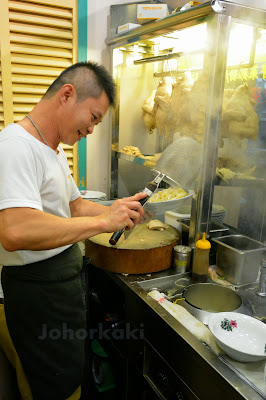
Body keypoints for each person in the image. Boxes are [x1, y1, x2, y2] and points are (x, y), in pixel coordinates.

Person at [0, 61, 147, 400]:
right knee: (49, 388)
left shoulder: (52, 150)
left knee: (67, 382)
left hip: (57, 290)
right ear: (68, 94)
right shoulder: (15, 147)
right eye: (94, 117)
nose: (93, 130)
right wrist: (103, 223)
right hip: (33, 296)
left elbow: (75, 206)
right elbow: (15, 230)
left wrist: (117, 208)